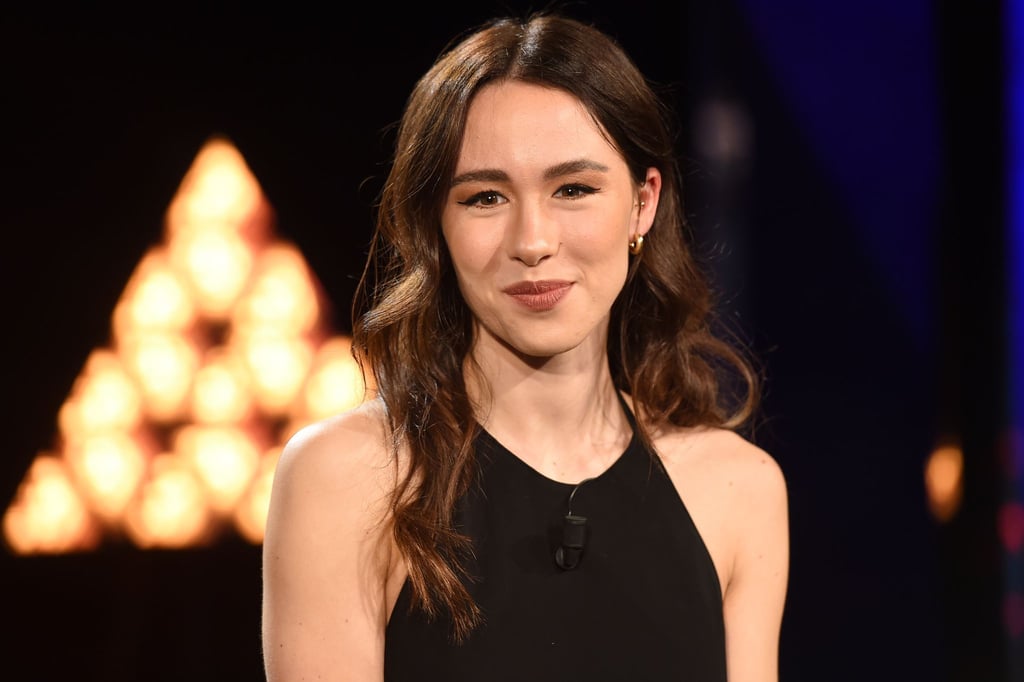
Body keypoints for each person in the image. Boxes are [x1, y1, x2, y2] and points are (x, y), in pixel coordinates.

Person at [261, 11, 788, 682]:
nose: (533, 241)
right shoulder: (347, 479)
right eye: (485, 197)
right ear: (436, 223)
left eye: (573, 189)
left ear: (642, 204)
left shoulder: (738, 490)